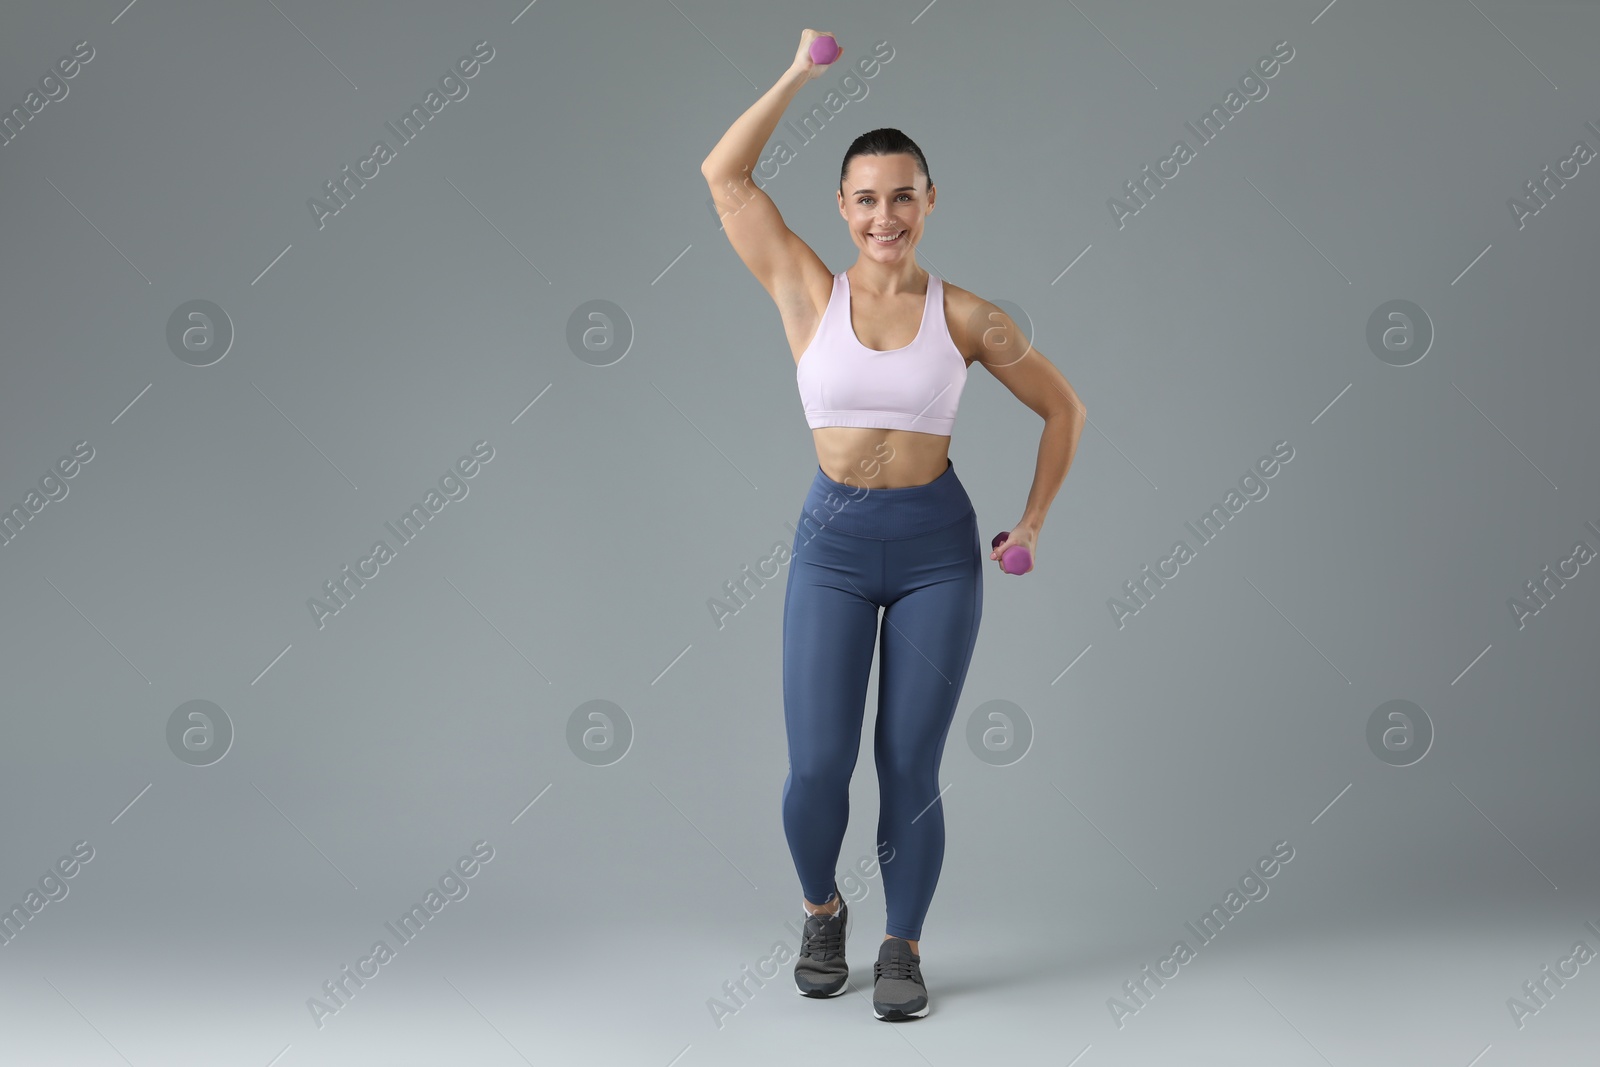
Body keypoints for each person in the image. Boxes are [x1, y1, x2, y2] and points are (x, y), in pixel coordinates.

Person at [699, 28, 1086, 1021]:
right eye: (865, 198)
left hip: (934, 554)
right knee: (817, 763)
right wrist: (794, 70)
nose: (884, 215)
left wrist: (1031, 521)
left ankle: (903, 945)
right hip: (830, 545)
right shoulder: (805, 290)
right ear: (841, 207)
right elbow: (724, 174)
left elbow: (1064, 408)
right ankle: (820, 907)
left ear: (928, 201)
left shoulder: (967, 316)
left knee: (908, 762)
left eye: (903, 195)